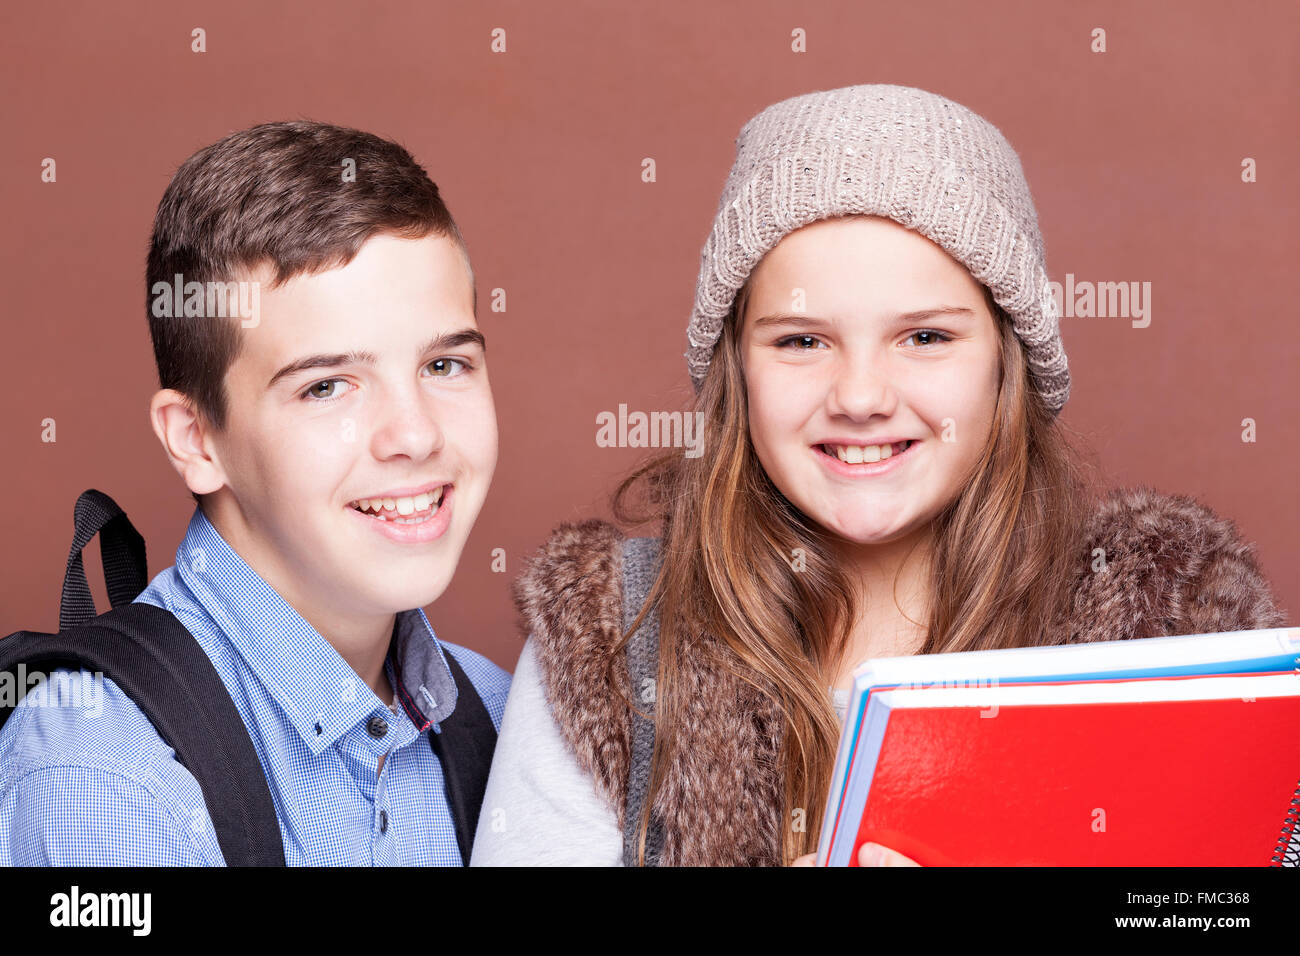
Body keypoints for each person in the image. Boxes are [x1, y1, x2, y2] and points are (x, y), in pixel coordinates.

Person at [469, 84, 1287, 867]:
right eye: (801, 341)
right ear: (735, 371)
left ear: (1009, 365)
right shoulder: (610, 643)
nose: (860, 397)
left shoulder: (1174, 623)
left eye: (925, 337)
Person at [0, 121, 510, 865]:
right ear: (196, 439)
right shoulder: (100, 769)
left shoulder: (502, 716)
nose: (415, 435)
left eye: (444, 367)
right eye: (327, 386)